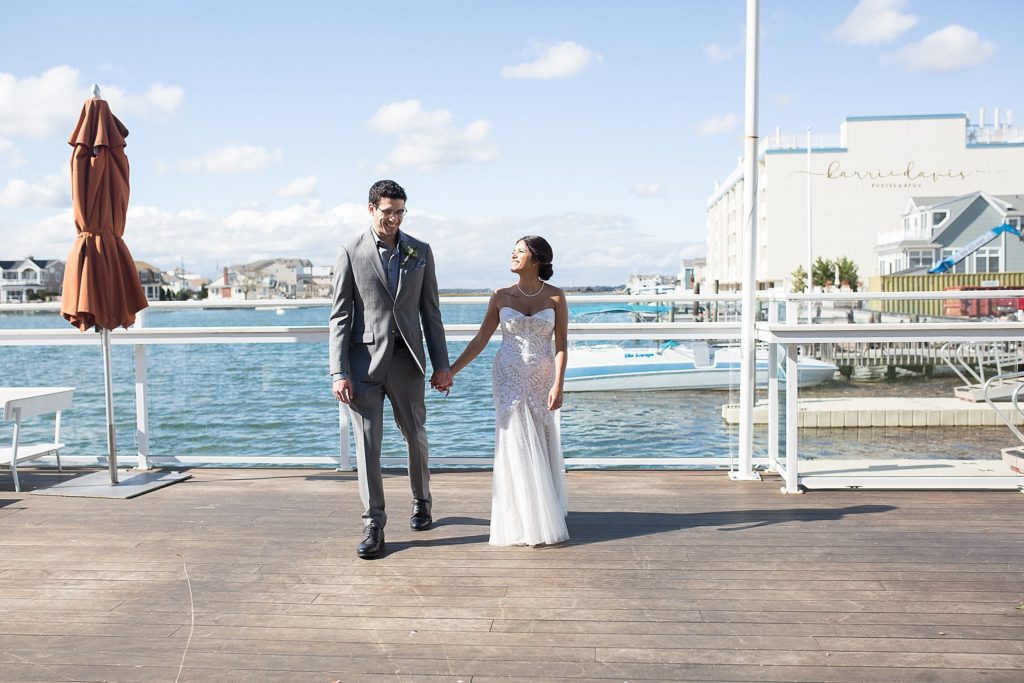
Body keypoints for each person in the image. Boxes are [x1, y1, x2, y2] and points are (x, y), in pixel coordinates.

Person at [329, 179, 452, 559]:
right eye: (387, 212)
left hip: (408, 362)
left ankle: (422, 500)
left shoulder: (421, 251)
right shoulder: (350, 251)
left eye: (400, 212)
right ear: (371, 209)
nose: (394, 219)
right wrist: (338, 372)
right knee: (367, 448)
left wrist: (442, 365)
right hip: (363, 365)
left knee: (415, 436)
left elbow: (431, 314)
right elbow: (340, 316)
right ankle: (374, 523)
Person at [450, 236, 570, 546]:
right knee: (514, 440)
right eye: (513, 251)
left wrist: (559, 383)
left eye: (520, 251)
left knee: (540, 439)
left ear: (537, 259)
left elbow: (561, 345)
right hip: (508, 375)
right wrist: (451, 370)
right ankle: (519, 519)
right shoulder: (500, 296)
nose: (513, 255)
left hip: (542, 376)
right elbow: (480, 340)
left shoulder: (556, 297)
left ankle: (544, 513)